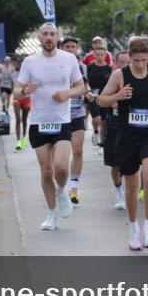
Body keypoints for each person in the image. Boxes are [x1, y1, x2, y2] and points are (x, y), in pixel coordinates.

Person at [97, 36, 148, 251]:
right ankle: (133, 227)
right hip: (127, 135)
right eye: (134, 60)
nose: (138, 65)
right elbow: (101, 99)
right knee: (131, 184)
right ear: (129, 58)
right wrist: (118, 95)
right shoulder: (120, 75)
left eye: (143, 60)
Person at [12, 23, 85, 231]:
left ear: (57, 37)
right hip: (39, 122)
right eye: (45, 34)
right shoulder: (30, 62)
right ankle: (52, 213)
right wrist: (26, 89)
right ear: (39, 38)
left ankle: (62, 191)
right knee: (46, 171)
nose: (49, 38)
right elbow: (17, 91)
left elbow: (81, 87)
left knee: (62, 167)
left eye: (53, 34)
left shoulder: (69, 59)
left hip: (61, 121)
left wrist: (67, 94)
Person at [60, 38, 90, 205]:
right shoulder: (56, 64)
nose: (70, 49)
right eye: (67, 47)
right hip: (59, 116)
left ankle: (74, 188)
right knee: (60, 156)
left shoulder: (82, 67)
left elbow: (86, 84)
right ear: (62, 48)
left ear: (77, 49)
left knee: (77, 151)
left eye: (73, 47)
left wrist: (89, 94)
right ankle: (61, 185)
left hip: (77, 114)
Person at [103, 51, 131, 209]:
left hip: (133, 127)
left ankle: (132, 191)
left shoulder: (139, 78)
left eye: (129, 63)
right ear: (116, 64)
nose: (127, 66)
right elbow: (102, 100)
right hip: (114, 126)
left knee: (134, 163)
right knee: (115, 165)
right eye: (123, 63)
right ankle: (119, 192)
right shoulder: (112, 79)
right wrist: (114, 99)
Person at [85, 38, 113, 151]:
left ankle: (102, 144)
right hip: (93, 97)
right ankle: (96, 131)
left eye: (102, 54)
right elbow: (85, 81)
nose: (100, 56)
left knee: (104, 121)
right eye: (98, 54)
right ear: (94, 55)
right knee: (97, 119)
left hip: (105, 97)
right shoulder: (89, 67)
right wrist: (88, 91)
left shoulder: (109, 69)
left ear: (105, 54)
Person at [12, 57, 31, 150]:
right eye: (20, 64)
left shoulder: (30, 75)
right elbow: (12, 86)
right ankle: (18, 141)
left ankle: (24, 138)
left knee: (24, 120)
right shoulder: (14, 75)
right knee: (18, 119)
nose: (21, 66)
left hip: (26, 99)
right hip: (16, 99)